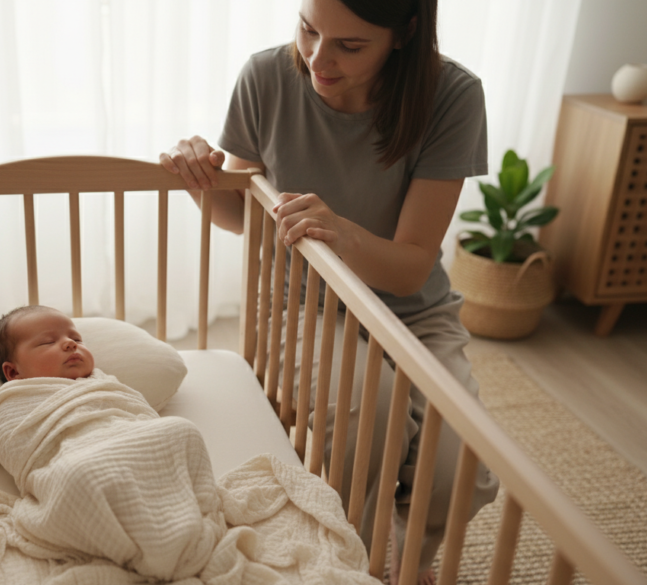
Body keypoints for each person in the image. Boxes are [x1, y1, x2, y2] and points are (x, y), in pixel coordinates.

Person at [159, 0, 499, 583]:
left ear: (404, 33)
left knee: (459, 465)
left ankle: (411, 558)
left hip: (412, 310)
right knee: (375, 409)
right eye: (309, 30)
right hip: (301, 301)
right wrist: (200, 179)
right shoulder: (266, 75)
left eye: (350, 45)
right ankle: (352, 561)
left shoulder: (452, 96)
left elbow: (411, 269)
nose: (319, 58)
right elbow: (242, 213)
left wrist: (342, 230)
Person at [0, 304, 95, 382]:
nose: (71, 343)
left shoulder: (103, 383)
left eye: (76, 339)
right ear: (14, 372)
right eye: (48, 342)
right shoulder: (19, 403)